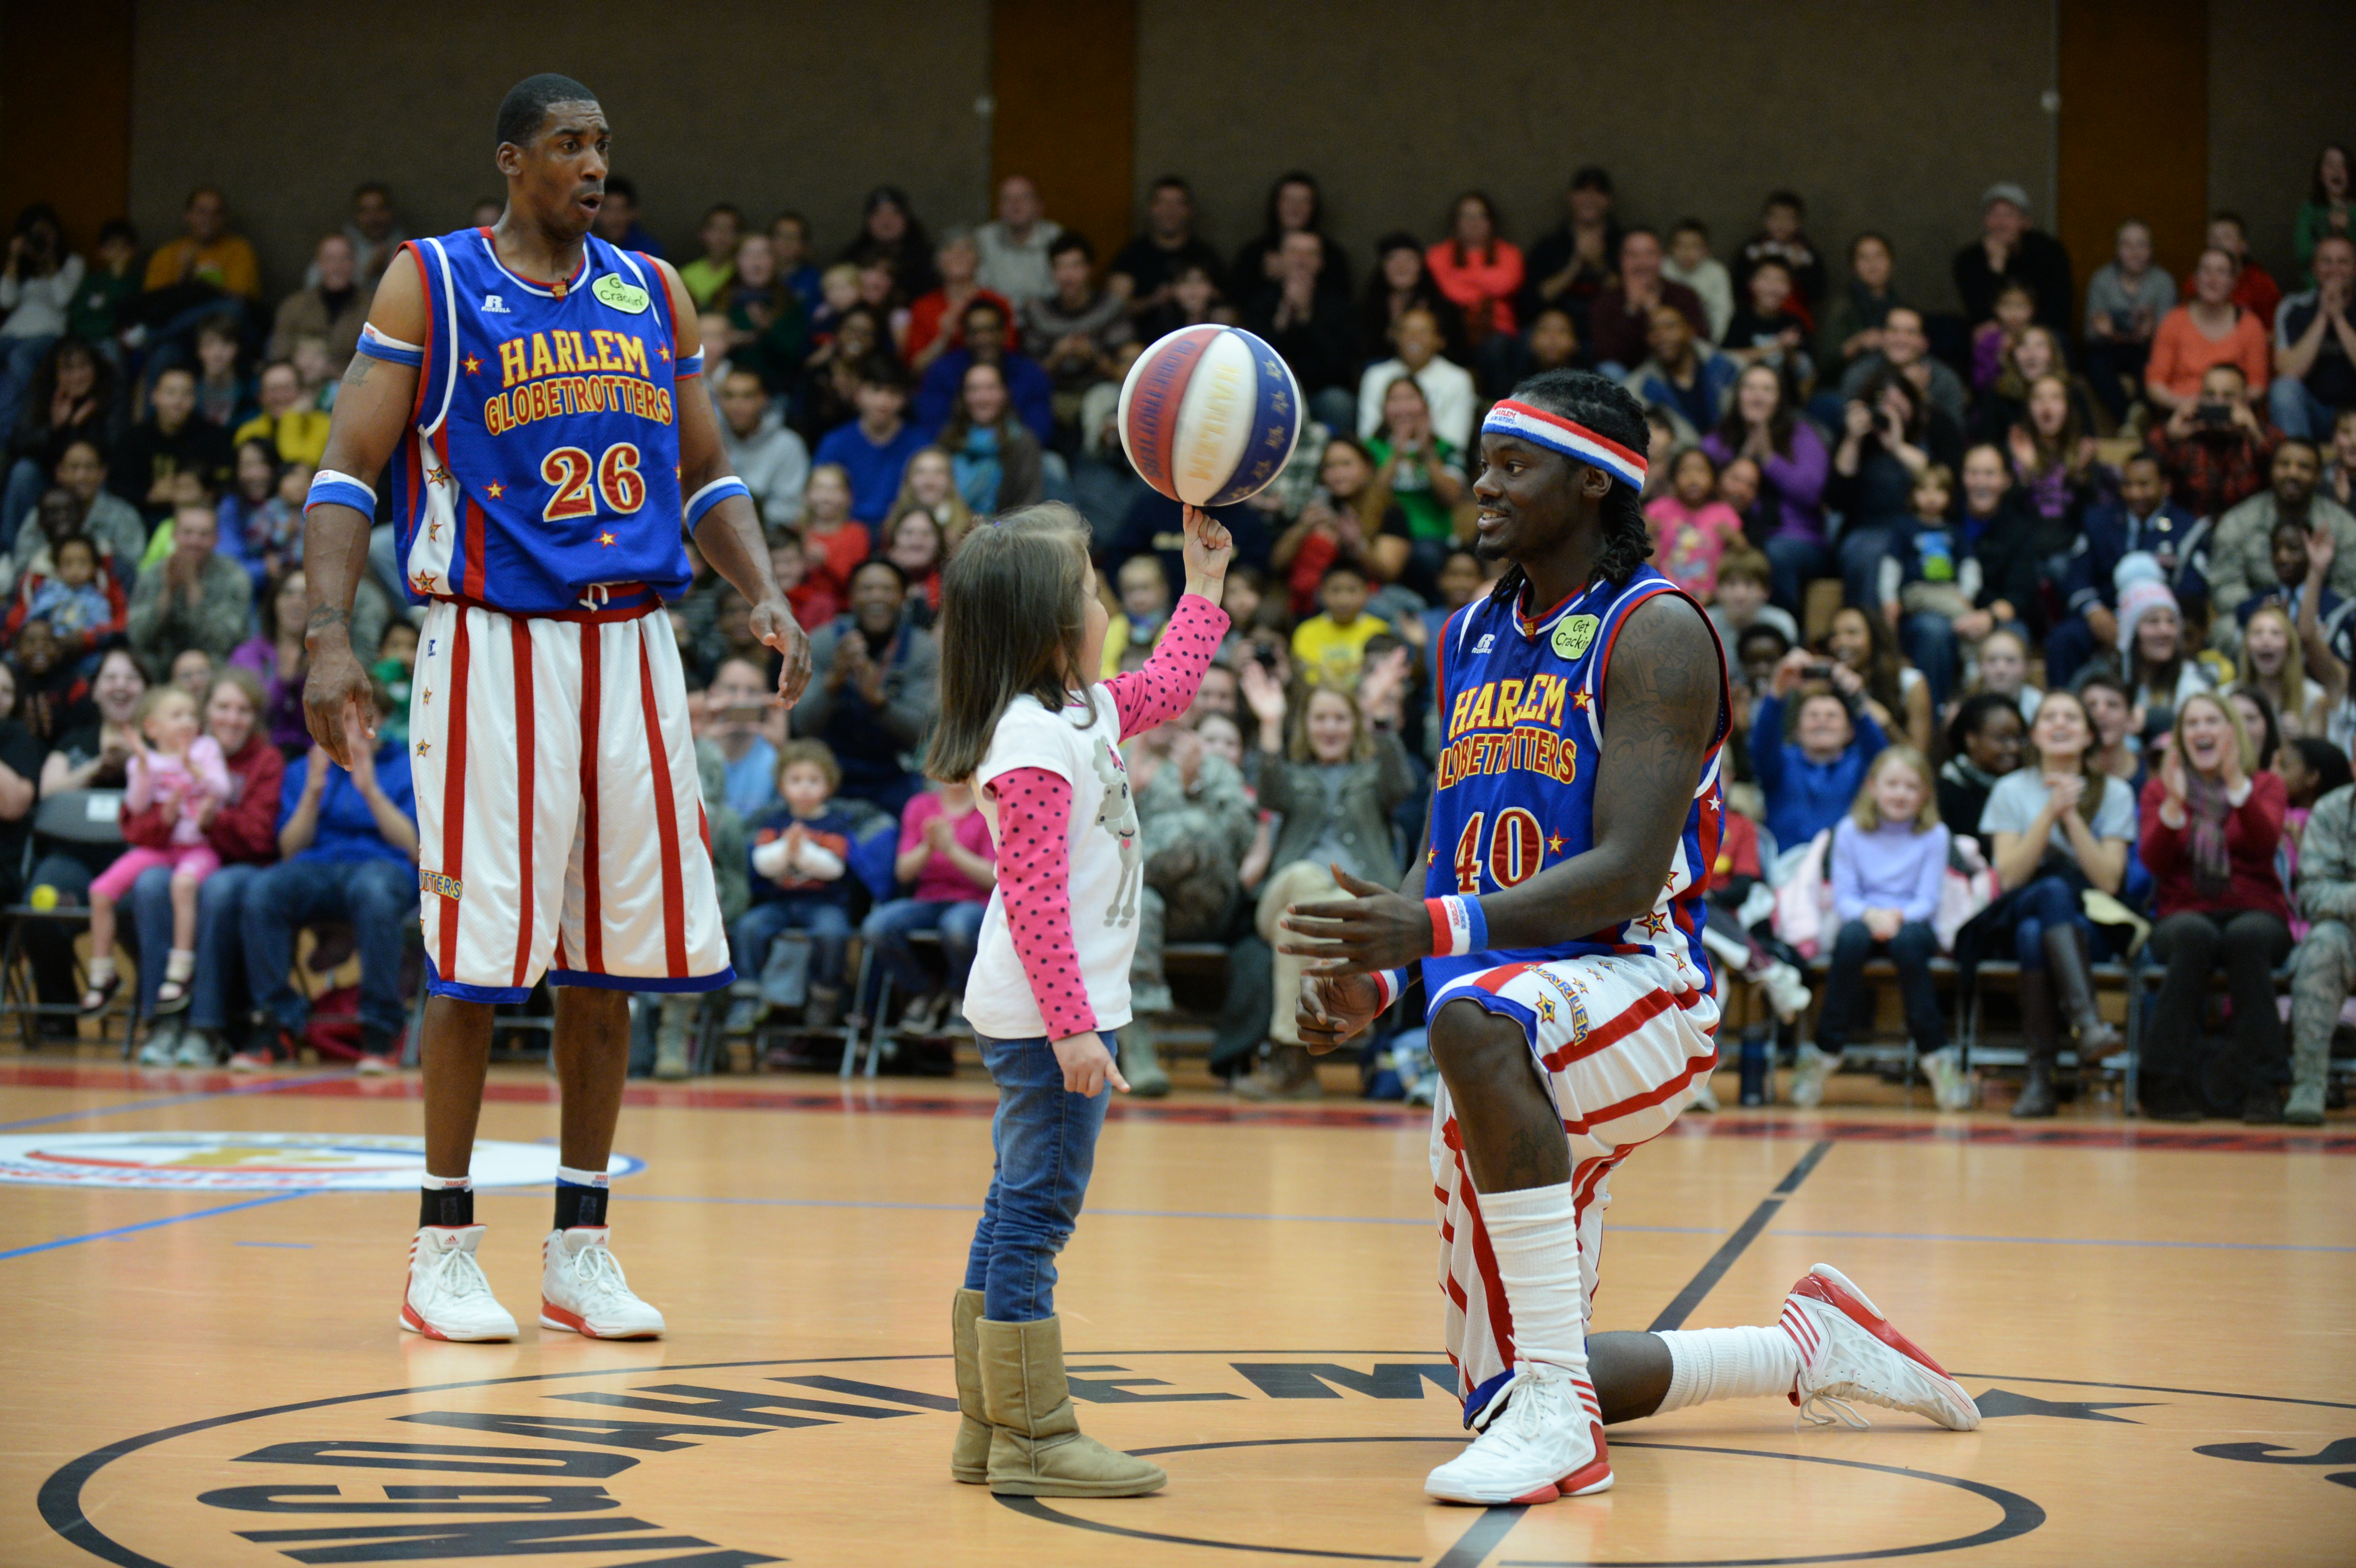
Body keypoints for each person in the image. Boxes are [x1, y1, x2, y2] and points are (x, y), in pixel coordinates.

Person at [1278, 368, 1974, 1506]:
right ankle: (1802, 1347)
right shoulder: (1464, 634)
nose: (1482, 483)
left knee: (1478, 1012)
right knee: (1503, 1377)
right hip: (1493, 1007)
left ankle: (1562, 1427)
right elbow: (1444, 848)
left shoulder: (1657, 632)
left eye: (1515, 464)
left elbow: (1626, 871)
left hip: (1635, 983)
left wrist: (1437, 939)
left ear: (1594, 484)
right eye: (1484, 459)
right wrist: (1382, 974)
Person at [297, 75, 812, 1343]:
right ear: (513, 161)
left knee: (609, 956)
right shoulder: (433, 281)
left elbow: (706, 471)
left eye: (603, 146)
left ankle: (581, 1243)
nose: (593, 166)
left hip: (633, 648)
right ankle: (442, 1247)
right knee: (474, 962)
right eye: (568, 146)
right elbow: (345, 469)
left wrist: (764, 588)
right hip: (488, 644)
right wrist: (324, 637)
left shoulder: (655, 289)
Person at [915, 499, 1228, 1495]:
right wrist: (1075, 1031)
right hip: (1053, 1020)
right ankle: (1035, 1434)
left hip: (1059, 1012)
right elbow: (1033, 896)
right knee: (1036, 1215)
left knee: (1014, 1205)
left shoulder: (1079, 707)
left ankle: (987, 1428)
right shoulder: (1029, 740)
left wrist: (1205, 588)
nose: (1103, 603)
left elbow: (1167, 687)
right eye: (1092, 591)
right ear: (1052, 624)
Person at [2138, 692, 2292, 1122]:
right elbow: (2154, 862)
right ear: (2181, 738)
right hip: (2183, 913)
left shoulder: (2265, 785)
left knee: (2245, 937)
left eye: (2213, 721)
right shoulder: (2159, 789)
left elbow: (2264, 845)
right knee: (2194, 936)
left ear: (2231, 731)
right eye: (2192, 723)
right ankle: (2162, 1083)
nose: (2202, 731)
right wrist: (2172, 804)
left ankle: (2264, 1085)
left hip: (2257, 911)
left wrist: (2237, 787)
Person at [1981, 688, 2133, 1117]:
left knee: (2038, 935)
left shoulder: (2115, 793)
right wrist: (2049, 813)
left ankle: (2039, 1080)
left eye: (2071, 718)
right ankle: (2088, 1025)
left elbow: (2108, 881)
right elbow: (2009, 878)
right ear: (2035, 734)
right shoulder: (2010, 790)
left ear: (2088, 736)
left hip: (2091, 925)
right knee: (2046, 898)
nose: (2060, 725)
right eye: (2050, 718)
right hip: (2017, 912)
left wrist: (2071, 815)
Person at [1792, 746, 1963, 1110]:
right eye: (1892, 784)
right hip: (1863, 918)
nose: (1900, 794)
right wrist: (1872, 916)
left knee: (1908, 946)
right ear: (1873, 787)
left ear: (1926, 795)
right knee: (1850, 939)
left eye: (1911, 787)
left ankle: (1937, 1058)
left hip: (1912, 922)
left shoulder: (1936, 835)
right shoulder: (1850, 831)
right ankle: (1824, 1053)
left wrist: (1897, 917)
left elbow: (1928, 900)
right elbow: (1845, 896)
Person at [78, 684, 229, 1019]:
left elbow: (223, 789)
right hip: (161, 849)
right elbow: (135, 804)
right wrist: (145, 770)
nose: (188, 721)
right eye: (177, 716)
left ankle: (181, 970)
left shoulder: (205, 749)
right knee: (100, 891)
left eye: (192, 714)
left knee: (184, 885)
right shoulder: (145, 761)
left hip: (197, 848)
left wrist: (195, 771)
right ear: (152, 728)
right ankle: (104, 975)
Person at [791, 557, 938, 817]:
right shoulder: (824, 641)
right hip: (830, 772)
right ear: (851, 596)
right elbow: (802, 724)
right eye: (867, 589)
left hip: (893, 772)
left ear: (903, 597)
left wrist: (878, 700)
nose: (877, 597)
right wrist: (833, 683)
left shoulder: (921, 649)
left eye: (887, 589)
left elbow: (921, 733)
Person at [2048, 451, 2207, 686]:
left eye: (2144, 485)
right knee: (2064, 639)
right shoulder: (2099, 520)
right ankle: (2063, 709)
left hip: (2160, 620)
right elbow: (2077, 576)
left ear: (2165, 486)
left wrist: (2149, 622)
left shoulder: (2188, 529)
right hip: (2106, 615)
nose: (2135, 493)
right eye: (2128, 485)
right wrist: (2094, 612)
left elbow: (2191, 590)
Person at [736, 739, 862, 1031]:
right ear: (781, 786)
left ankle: (825, 995)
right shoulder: (773, 820)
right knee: (749, 927)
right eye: (796, 780)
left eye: (814, 780)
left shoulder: (837, 824)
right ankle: (747, 996)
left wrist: (800, 852)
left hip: (824, 903)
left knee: (833, 933)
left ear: (829, 785)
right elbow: (762, 864)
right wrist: (786, 849)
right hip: (779, 902)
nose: (804, 788)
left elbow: (834, 869)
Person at [1702, 364, 1831, 615]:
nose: (1757, 396)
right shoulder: (1718, 440)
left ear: (1780, 399)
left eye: (1767, 389)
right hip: (1725, 531)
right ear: (1738, 395)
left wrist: (1769, 458)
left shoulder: (1802, 435)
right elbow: (1700, 486)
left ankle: (1780, 635)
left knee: (1775, 553)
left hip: (1793, 537)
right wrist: (1742, 463)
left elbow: (1813, 493)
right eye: (1750, 388)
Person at [1828, 370, 1961, 610]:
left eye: (1900, 408)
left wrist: (1897, 447)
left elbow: (1942, 483)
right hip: (1870, 528)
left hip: (1921, 525)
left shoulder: (1936, 426)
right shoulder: (1858, 439)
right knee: (1868, 554)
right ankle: (1871, 631)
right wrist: (1853, 439)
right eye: (1885, 407)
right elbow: (1835, 498)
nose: (1891, 416)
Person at [2207, 438, 2356, 647]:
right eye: (2284, 465)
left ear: (2318, 476)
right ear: (2271, 470)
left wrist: (2305, 615)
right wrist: (2264, 614)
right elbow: (2225, 586)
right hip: (2257, 616)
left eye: (2304, 467)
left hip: (2322, 617)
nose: (2292, 474)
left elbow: (2349, 590)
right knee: (2225, 629)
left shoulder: (2343, 526)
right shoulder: (2239, 522)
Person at [1243, 230, 1359, 416]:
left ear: (1321, 262)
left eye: (1310, 253)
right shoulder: (1261, 302)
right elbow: (1254, 358)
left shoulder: (1338, 306)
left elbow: (1338, 365)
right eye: (1294, 251)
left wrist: (1306, 318)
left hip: (1320, 391)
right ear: (1280, 259)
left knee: (1339, 402)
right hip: (1270, 392)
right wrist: (1282, 320)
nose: (1301, 260)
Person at [2149, 362, 2281, 523]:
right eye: (2210, 395)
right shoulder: (2186, 432)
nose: (2218, 403)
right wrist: (2170, 436)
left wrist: (2255, 435)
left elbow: (2282, 472)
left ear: (2245, 399)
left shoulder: (2263, 434)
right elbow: (2147, 471)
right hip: (2190, 525)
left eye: (2228, 396)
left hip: (2248, 527)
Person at [913, 297, 1053, 446]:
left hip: (1014, 453)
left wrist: (997, 448)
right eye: (976, 332)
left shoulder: (1030, 373)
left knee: (1052, 466)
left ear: (1004, 334)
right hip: (957, 453)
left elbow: (1039, 430)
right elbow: (932, 427)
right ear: (965, 337)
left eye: (990, 330)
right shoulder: (943, 371)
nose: (984, 339)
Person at [2146, 248, 2272, 412]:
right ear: (2196, 279)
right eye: (2207, 271)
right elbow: (2155, 384)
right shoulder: (2173, 321)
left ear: (2233, 282)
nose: (2213, 279)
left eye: (2221, 272)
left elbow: (2258, 386)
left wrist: (2223, 408)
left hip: (2234, 417)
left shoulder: (2251, 325)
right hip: (2180, 413)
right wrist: (2186, 407)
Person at [128, 503, 251, 667]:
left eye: (204, 535)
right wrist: (167, 593)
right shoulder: (153, 574)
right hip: (162, 663)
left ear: (216, 539)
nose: (195, 541)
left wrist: (193, 588)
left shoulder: (234, 576)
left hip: (212, 662)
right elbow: (138, 637)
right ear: (175, 535)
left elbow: (224, 642)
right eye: (187, 533)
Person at [0, 205, 85, 440]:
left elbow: (62, 300)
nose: (42, 238)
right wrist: (14, 258)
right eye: (36, 234)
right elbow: (5, 301)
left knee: (19, 358)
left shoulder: (73, 262)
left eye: (47, 232)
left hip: (48, 330)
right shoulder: (21, 266)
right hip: (12, 331)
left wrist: (49, 262)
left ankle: (37, 412)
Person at [814, 357, 929, 528]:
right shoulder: (835, 442)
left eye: (893, 393)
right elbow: (816, 497)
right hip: (843, 531)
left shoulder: (920, 446)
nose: (883, 402)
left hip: (900, 533)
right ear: (859, 393)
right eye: (876, 390)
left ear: (904, 399)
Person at [111, 365, 232, 525]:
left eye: (186, 394)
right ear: (154, 396)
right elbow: (119, 487)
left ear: (195, 399)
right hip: (144, 518)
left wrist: (203, 494)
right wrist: (150, 496)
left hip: (201, 517)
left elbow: (226, 483)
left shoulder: (215, 437)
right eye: (170, 393)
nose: (177, 401)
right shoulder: (133, 440)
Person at [2082, 220, 2174, 423]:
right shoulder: (2101, 279)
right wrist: (2102, 331)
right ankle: (2129, 420)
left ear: (2151, 250)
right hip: (2109, 348)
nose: (2135, 252)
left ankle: (2142, 415)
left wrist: (2153, 330)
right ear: (2117, 250)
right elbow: (2089, 333)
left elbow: (2170, 336)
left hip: (2146, 348)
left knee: (2153, 363)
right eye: (2127, 245)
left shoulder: (2163, 282)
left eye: (2142, 245)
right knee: (2095, 362)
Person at [1952, 182, 2072, 335]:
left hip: (2041, 332)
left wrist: (2024, 335)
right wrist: (1995, 271)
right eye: (1993, 214)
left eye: (2009, 215)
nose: (2000, 223)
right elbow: (1981, 315)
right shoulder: (1969, 260)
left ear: (2026, 222)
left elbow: (2059, 311)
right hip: (1996, 334)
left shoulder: (2049, 253)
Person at [2270, 235, 2356, 442]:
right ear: (2315, 269)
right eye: (2326, 261)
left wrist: (2338, 318)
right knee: (2283, 390)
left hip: (2354, 412)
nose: (2334, 269)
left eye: (2343, 262)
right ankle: (2300, 460)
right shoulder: (2293, 308)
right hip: (2313, 411)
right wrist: (2323, 315)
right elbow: (2289, 372)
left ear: (2354, 269)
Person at [1587, 229, 1709, 375]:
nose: (1642, 263)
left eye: (1649, 254)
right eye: (1633, 255)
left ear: (1661, 258)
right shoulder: (1606, 301)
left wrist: (1657, 315)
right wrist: (1631, 312)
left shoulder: (1683, 295)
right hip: (1626, 380)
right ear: (1621, 260)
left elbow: (1700, 343)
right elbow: (1606, 356)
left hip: (1677, 375)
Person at [1356, 305, 1475, 451]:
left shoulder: (1459, 379)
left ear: (1440, 340)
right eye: (1406, 330)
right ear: (1395, 336)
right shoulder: (1375, 376)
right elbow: (1367, 439)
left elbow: (1456, 442)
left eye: (1423, 331)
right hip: (1382, 462)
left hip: (1438, 463)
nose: (1414, 337)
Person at [1109, 176, 1222, 324]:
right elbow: (1113, 310)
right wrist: (1154, 301)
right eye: (1162, 203)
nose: (1170, 211)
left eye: (1178, 204)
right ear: (1150, 208)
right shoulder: (1131, 256)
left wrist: (1196, 296)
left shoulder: (1205, 255)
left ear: (1189, 210)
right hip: (1146, 341)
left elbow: (1226, 303)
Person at [1835, 306, 1968, 429]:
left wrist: (1921, 397)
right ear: (1882, 337)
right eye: (1894, 330)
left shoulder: (1945, 380)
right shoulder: (1860, 374)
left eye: (1911, 332)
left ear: (1924, 342)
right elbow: (1845, 427)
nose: (1901, 339)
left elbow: (1954, 437)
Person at [1620, 304, 1737, 440]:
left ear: (1690, 331)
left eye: (1670, 326)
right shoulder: (1636, 391)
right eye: (1653, 330)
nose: (1661, 336)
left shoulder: (1731, 368)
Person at [1644, 445, 1744, 602]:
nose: (1693, 478)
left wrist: (1734, 539)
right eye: (1685, 471)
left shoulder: (1724, 513)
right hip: (1663, 595)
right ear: (1672, 479)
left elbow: (1743, 552)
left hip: (1711, 599)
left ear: (1714, 479)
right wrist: (1647, 532)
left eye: (1701, 471)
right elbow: (1643, 549)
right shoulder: (1659, 510)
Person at [1424, 191, 1524, 345]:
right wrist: (1488, 283)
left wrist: (1460, 277)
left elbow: (1505, 284)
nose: (1474, 222)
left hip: (1500, 331)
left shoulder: (1510, 253)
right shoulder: (1438, 254)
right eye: (1467, 216)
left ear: (1491, 222)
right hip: (1452, 329)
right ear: (1456, 222)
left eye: (1481, 216)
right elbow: (1449, 292)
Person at [715, 367, 809, 530]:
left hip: (769, 536)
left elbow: (791, 509)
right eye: (729, 396)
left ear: (763, 399)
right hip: (709, 534)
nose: (737, 405)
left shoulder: (788, 445)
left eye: (747, 396)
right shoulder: (708, 441)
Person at [1357, 231, 1468, 367]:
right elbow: (1364, 352)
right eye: (1393, 259)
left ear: (1421, 266)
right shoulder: (1369, 308)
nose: (1402, 266)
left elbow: (1458, 354)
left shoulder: (1443, 307)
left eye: (1409, 259)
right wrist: (1395, 328)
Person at [270, 233, 372, 371]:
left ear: (354, 263)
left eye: (345, 259)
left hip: (353, 387)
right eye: (330, 259)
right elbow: (280, 356)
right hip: (302, 387)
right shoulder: (294, 307)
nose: (337, 267)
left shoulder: (372, 308)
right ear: (319, 264)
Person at [1815, 233, 1901, 388]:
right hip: (1844, 384)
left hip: (1895, 382)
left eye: (1879, 256)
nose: (1872, 264)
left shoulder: (1902, 307)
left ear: (1891, 262)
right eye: (1864, 258)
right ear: (1853, 267)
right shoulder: (1840, 306)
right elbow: (1824, 361)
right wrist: (1859, 342)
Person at [1289, 561, 1390, 691]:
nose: (1344, 599)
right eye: (1336, 590)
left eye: (1352, 590)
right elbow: (1303, 677)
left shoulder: (1379, 629)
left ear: (1367, 593)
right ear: (1322, 593)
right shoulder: (1307, 631)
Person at [1939, 691, 2024, 835]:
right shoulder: (1946, 790)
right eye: (2002, 738)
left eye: (2018, 738)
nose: (2014, 748)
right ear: (1971, 739)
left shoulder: (2025, 785)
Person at [974, 174, 1062, 308]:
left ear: (1039, 206)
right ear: (999, 208)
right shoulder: (983, 240)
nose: (1015, 204)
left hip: (1048, 317)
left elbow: (1063, 287)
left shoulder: (1056, 237)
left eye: (1024, 198)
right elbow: (978, 287)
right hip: (998, 320)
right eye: (1007, 199)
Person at [1662, 219, 1733, 343]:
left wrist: (1712, 344)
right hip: (1665, 336)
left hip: (1703, 338)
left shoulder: (1717, 272)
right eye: (1681, 246)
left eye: (1694, 246)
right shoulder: (1662, 268)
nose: (1687, 253)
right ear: (1671, 248)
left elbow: (1722, 312)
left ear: (1706, 250)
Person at [2295, 143, 2351, 288]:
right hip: (2316, 286)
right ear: (2320, 174)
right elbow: (2303, 254)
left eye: (2342, 165)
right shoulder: (2309, 210)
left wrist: (2348, 229)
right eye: (2330, 164)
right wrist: (2329, 230)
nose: (2336, 170)